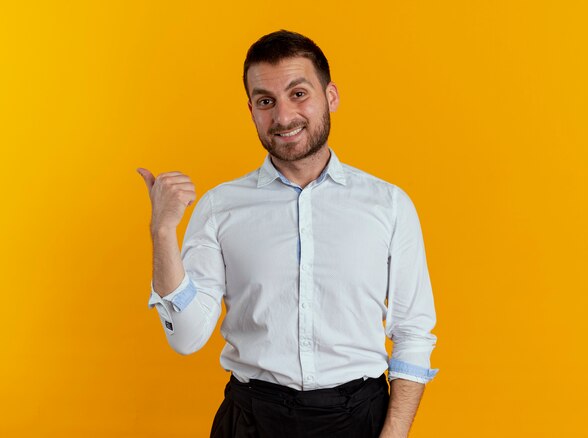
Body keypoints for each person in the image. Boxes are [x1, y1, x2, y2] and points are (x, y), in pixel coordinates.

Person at [138, 29, 439, 438]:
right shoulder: (219, 206)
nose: (282, 117)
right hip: (251, 421)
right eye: (266, 101)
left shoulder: (389, 205)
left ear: (331, 96)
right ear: (251, 110)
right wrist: (162, 231)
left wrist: (394, 434)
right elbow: (187, 338)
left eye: (299, 94)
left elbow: (413, 333)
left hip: (358, 419)